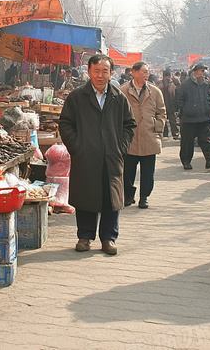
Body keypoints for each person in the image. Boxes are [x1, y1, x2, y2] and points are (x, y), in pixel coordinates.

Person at [59, 54, 136, 255]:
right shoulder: (77, 97)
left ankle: (109, 238)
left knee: (111, 198)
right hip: (86, 156)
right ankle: (85, 236)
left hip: (112, 156)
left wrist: (121, 148)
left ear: (111, 73)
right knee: (86, 196)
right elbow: (66, 124)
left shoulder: (119, 98)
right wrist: (77, 146)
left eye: (105, 71)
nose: (100, 76)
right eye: (96, 71)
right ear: (89, 72)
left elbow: (129, 125)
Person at [120, 61, 166, 209]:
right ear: (134, 72)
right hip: (130, 139)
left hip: (149, 137)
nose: (146, 74)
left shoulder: (155, 91)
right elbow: (117, 114)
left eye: (147, 72)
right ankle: (128, 195)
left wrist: (156, 127)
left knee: (148, 173)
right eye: (143, 71)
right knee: (127, 172)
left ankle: (144, 197)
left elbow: (161, 112)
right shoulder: (123, 91)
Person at [176, 62, 210, 170]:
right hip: (189, 119)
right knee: (187, 142)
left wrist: (209, 107)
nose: (203, 73)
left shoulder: (207, 84)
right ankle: (186, 161)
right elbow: (180, 99)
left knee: (206, 140)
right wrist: (184, 111)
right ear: (195, 72)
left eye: (204, 71)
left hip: (204, 118)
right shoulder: (186, 84)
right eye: (202, 71)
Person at [161, 70, 179, 140]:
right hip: (169, 104)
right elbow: (174, 95)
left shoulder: (160, 84)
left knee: (167, 120)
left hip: (165, 105)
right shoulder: (171, 84)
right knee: (171, 120)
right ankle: (174, 133)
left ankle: (166, 134)